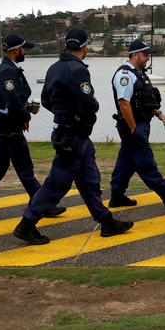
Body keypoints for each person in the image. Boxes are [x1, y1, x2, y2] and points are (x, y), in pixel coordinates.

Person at [13, 29, 133, 245]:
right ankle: (27, 224)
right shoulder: (77, 70)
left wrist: (64, 112)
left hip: (71, 134)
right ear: (84, 47)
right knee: (57, 183)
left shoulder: (53, 68)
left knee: (89, 181)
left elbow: (46, 100)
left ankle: (106, 221)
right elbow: (89, 102)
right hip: (73, 136)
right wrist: (90, 105)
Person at [0, 35, 65, 221]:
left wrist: (24, 110)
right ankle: (42, 205)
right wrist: (25, 116)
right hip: (8, 128)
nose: (25, 52)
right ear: (15, 50)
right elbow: (11, 100)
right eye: (23, 49)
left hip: (3, 126)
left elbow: (10, 99)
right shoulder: (7, 71)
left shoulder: (10, 69)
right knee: (25, 168)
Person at [109, 39, 165, 208]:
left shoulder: (140, 74)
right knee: (145, 160)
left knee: (127, 161)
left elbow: (145, 101)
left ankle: (117, 195)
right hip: (132, 125)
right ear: (135, 54)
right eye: (145, 55)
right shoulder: (125, 75)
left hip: (141, 123)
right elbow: (124, 103)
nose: (148, 59)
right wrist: (133, 128)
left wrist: (159, 114)